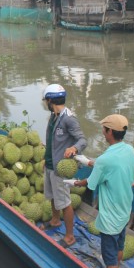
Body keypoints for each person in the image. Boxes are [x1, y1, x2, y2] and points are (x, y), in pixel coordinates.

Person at [73, 114, 134, 268]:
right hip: (124, 210)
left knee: (109, 256)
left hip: (110, 217)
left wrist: (78, 182)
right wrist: (89, 162)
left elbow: (91, 184)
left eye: (104, 129)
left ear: (109, 132)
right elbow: (109, 166)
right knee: (120, 245)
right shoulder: (129, 150)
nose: (102, 132)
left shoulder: (105, 160)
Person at [39, 84, 87, 248]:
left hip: (60, 169)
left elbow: (82, 140)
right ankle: (54, 221)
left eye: (46, 100)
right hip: (51, 164)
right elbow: (53, 142)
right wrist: (46, 158)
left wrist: (74, 148)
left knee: (65, 202)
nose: (45, 103)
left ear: (50, 100)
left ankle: (70, 236)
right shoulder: (54, 116)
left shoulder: (68, 118)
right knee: (52, 196)